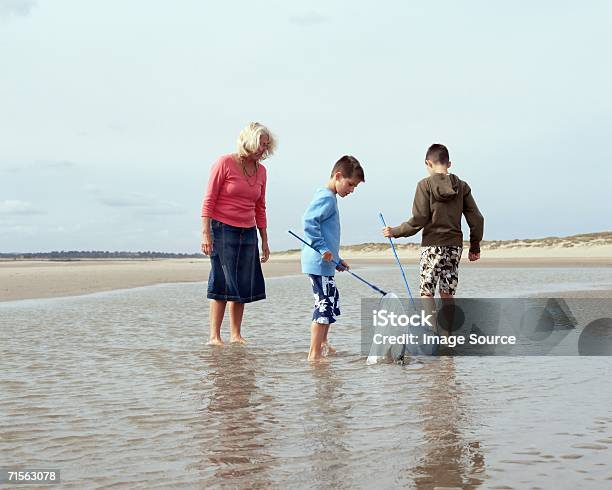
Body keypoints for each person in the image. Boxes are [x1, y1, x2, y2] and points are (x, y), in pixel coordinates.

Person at [201, 122, 276, 345]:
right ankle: (214, 336)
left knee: (242, 283)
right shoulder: (223, 163)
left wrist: (264, 239)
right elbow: (209, 200)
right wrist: (205, 233)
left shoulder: (262, 171)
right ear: (249, 142)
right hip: (222, 229)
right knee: (223, 280)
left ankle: (236, 334)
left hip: (248, 231)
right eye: (261, 144)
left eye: (266, 145)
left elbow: (260, 206)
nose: (264, 149)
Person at [382, 144, 484, 298]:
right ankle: (448, 323)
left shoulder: (425, 185)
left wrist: (395, 231)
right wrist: (474, 247)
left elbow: (419, 219)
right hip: (454, 247)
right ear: (449, 164)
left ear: (428, 163)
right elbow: (476, 218)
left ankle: (430, 323)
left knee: (427, 292)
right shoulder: (462, 186)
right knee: (447, 292)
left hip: (432, 245)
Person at [301, 155, 365, 361]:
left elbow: (326, 234)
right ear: (338, 176)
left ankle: (323, 343)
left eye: (354, 187)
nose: (351, 190)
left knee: (331, 300)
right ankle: (314, 353)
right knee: (323, 304)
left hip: (326, 262)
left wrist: (337, 259)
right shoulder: (326, 197)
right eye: (350, 184)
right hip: (317, 263)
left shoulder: (331, 198)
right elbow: (309, 222)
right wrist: (321, 249)